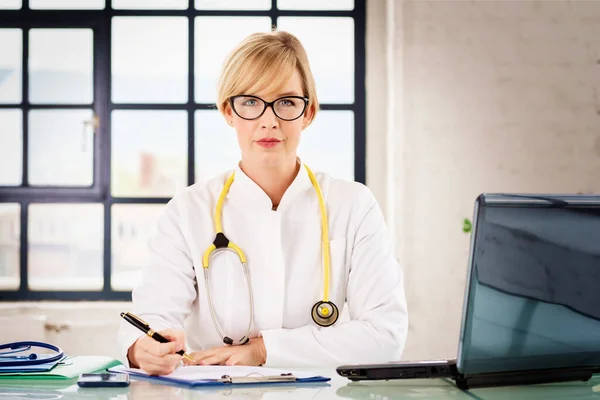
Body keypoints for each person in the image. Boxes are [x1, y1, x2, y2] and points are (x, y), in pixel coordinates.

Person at [118, 30, 408, 375]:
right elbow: (152, 316)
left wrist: (264, 350)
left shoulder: (352, 205)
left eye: (286, 102)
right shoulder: (187, 211)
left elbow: (385, 334)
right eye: (251, 102)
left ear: (308, 112)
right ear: (229, 111)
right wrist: (143, 349)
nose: (269, 120)